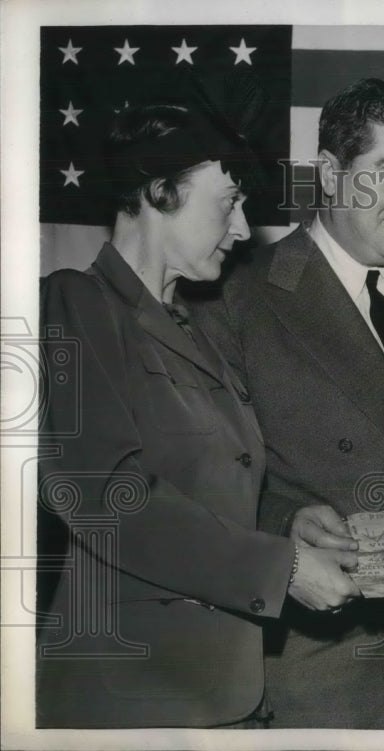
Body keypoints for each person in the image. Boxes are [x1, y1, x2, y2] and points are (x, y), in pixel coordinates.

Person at [188, 77, 384, 728]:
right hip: (315, 661)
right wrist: (286, 522)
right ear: (330, 175)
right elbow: (196, 484)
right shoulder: (238, 297)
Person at [36, 100, 361, 728]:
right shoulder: (75, 302)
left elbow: (210, 490)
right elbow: (104, 493)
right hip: (131, 699)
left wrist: (288, 524)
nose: (242, 229)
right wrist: (282, 567)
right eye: (228, 202)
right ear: (161, 192)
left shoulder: (199, 333)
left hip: (226, 697)